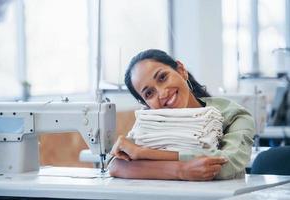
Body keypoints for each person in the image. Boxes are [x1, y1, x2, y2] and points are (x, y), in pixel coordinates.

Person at [108, 49, 255, 181]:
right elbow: (116, 165)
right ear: (146, 104)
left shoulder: (233, 115)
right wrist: (180, 170)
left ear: (181, 70)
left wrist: (143, 153)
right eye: (149, 93)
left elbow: (227, 164)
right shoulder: (151, 121)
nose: (163, 93)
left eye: (162, 77)